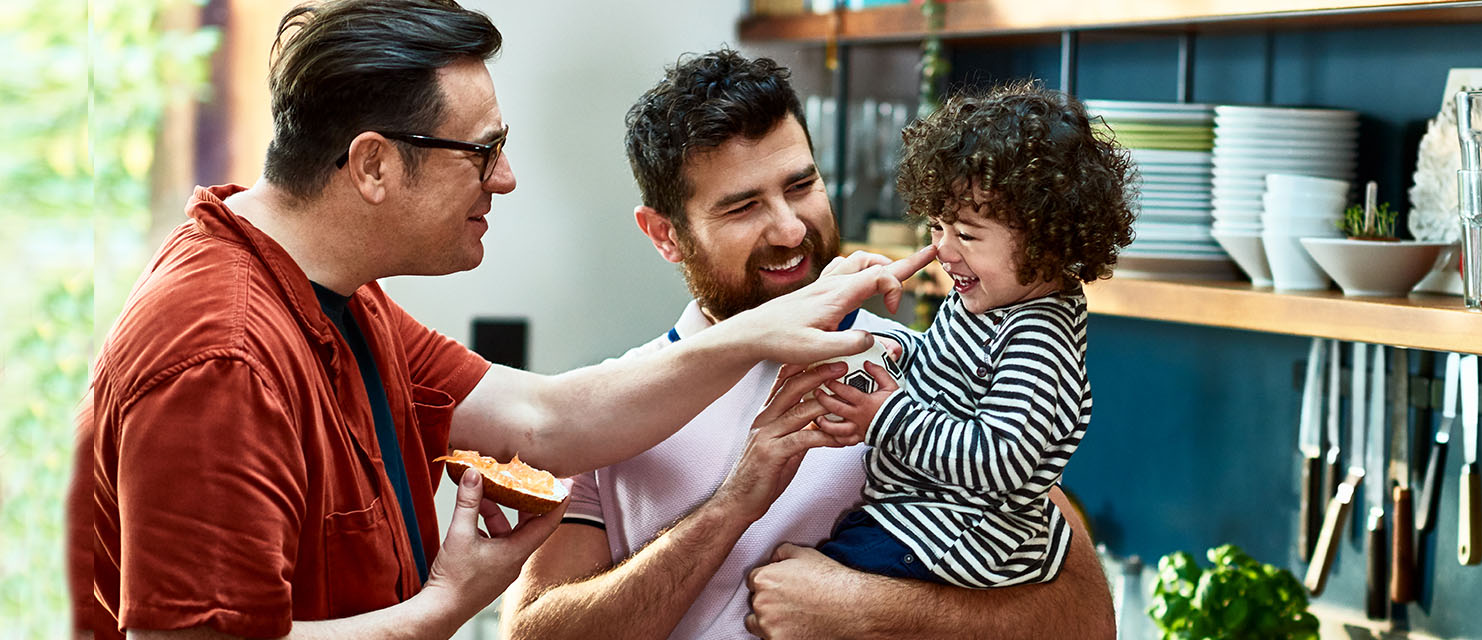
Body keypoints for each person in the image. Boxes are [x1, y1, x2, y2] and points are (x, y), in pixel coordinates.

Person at [65, 3, 914, 638]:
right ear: (372, 165)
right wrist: (446, 604)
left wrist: (775, 326)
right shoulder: (223, 354)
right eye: (482, 151)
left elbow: (547, 419)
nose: (504, 179)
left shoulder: (342, 296)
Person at [500, 49, 1116, 639]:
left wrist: (867, 610)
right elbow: (533, 635)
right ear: (665, 233)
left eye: (801, 186)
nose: (791, 228)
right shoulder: (603, 409)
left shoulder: (921, 365)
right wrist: (734, 504)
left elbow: (1087, 616)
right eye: (743, 206)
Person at [809, 82, 1137, 589]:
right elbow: (955, 374)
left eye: (965, 233)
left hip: (956, 538)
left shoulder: (1039, 340)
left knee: (804, 589)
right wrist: (905, 353)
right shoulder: (988, 304)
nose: (943, 249)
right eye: (937, 227)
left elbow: (999, 455)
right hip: (921, 523)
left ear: (1044, 237)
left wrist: (887, 418)